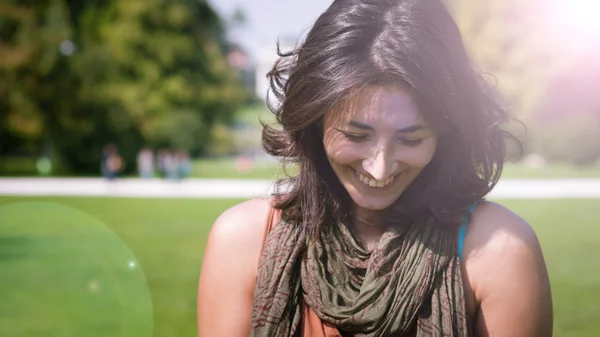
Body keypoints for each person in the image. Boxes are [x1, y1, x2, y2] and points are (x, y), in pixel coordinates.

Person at [198, 1, 553, 336]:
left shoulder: (498, 250)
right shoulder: (243, 242)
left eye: (411, 139)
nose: (380, 168)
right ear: (314, 119)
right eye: (356, 135)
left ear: (447, 132)